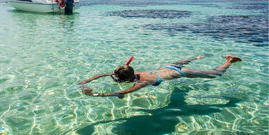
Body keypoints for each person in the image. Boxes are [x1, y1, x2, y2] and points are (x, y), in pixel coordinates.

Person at [78, 55, 242, 98]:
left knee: (216, 74)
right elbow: (103, 74)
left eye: (118, 79)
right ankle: (194, 57)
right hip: (166, 67)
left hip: (177, 72)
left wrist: (94, 94)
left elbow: (122, 93)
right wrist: (86, 80)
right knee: (179, 62)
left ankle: (229, 61)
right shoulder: (135, 74)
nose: (115, 79)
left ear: (127, 79)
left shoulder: (141, 82)